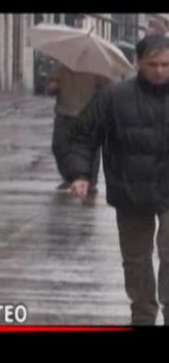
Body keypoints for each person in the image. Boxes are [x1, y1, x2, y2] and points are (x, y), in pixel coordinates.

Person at [66, 34, 169, 325]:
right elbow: (83, 135)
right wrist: (80, 174)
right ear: (139, 63)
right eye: (153, 64)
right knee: (136, 259)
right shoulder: (115, 97)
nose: (160, 71)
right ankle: (143, 313)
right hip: (130, 190)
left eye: (166, 64)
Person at [46, 65, 108, 193]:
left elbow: (108, 87)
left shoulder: (98, 67)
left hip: (89, 113)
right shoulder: (63, 64)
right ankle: (69, 178)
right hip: (65, 112)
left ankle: (90, 180)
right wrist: (54, 86)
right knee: (59, 145)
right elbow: (51, 86)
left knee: (90, 147)